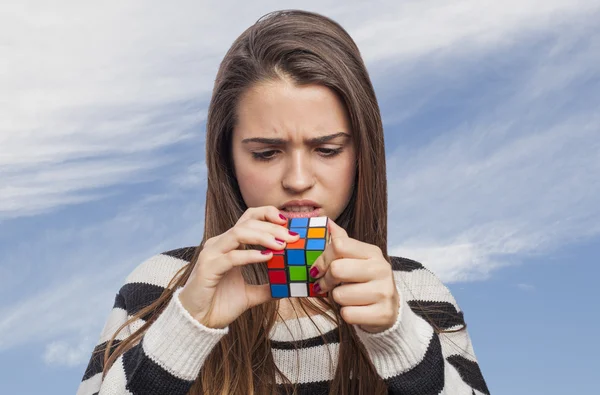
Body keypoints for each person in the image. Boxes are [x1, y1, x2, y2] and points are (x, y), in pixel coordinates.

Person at [77, 9, 489, 395]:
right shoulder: (158, 287)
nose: (297, 180)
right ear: (227, 160)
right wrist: (185, 328)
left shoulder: (416, 292)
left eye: (327, 150)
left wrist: (398, 339)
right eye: (266, 153)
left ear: (362, 155)